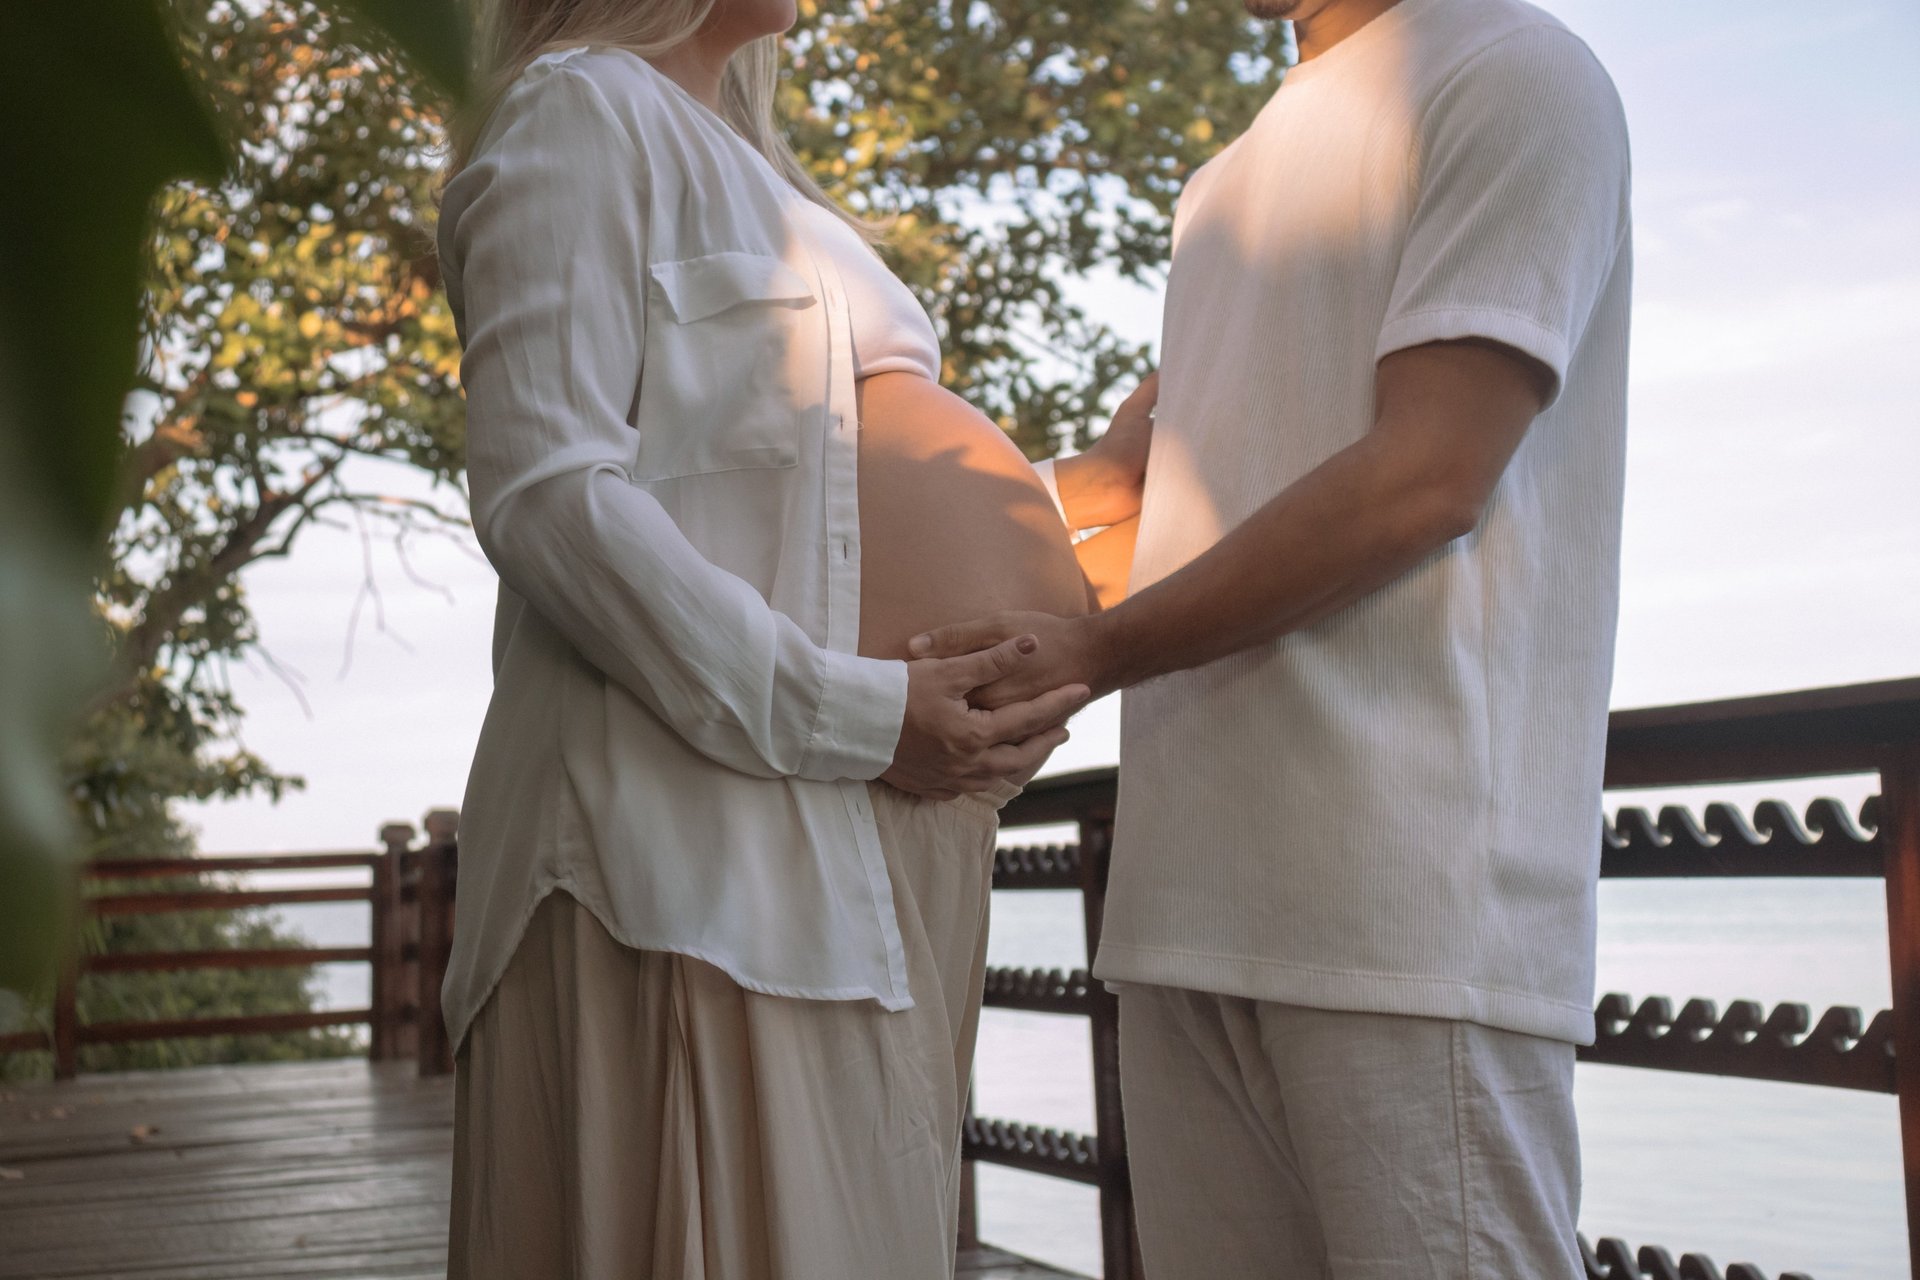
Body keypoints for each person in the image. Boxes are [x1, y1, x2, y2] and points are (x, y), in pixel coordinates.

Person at [910, 0, 1633, 1274]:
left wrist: (1104, 649)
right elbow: (1159, 509)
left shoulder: (1516, 73)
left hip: (1408, 916)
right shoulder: (1221, 185)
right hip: (1184, 904)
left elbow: (1430, 474)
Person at [433, 1, 1152, 1276]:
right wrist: (861, 713)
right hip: (685, 860)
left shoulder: (759, 172)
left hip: (860, 843)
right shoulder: (579, 108)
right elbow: (548, 491)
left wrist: (1074, 493)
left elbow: (797, 501)